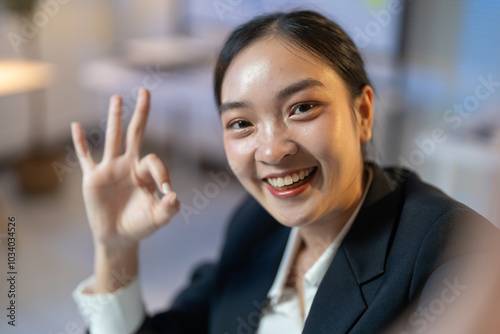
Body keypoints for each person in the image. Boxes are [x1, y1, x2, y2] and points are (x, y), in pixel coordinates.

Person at [71, 10, 499, 334]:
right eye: (242, 123)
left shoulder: (451, 250)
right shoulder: (255, 225)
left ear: (363, 112)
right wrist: (115, 248)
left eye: (302, 108)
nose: (273, 150)